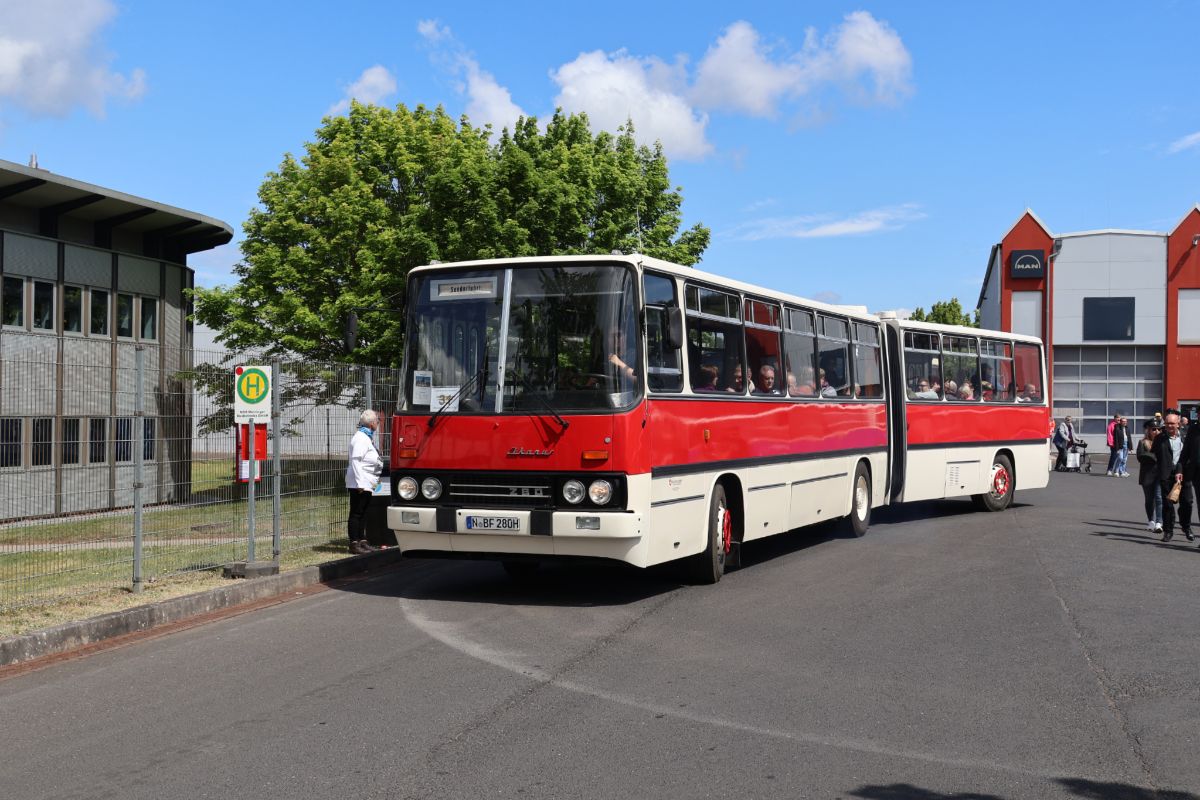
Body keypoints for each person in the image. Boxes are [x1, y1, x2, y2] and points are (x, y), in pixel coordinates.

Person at [345, 409, 384, 555]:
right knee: (356, 512)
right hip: (359, 483)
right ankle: (354, 543)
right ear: (372, 423)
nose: (378, 424)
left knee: (364, 512)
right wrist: (360, 483)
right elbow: (356, 461)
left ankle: (362, 540)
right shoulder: (360, 438)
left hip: (368, 482)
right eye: (377, 421)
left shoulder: (367, 437)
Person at [1150, 410, 1189, 543]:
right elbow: (1154, 453)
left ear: (1178, 424)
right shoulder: (1160, 438)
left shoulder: (1185, 435)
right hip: (1166, 474)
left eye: (1172, 423)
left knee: (1187, 502)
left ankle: (1186, 526)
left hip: (1184, 474)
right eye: (1167, 423)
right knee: (1168, 504)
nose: (1169, 426)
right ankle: (1168, 531)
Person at [1136, 421, 1163, 533]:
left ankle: (1159, 522)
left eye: (1158, 429)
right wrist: (1155, 457)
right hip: (1147, 475)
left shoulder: (1163, 442)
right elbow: (1140, 456)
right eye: (1154, 429)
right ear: (1148, 430)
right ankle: (1150, 521)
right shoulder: (1143, 442)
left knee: (1159, 497)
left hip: (1160, 474)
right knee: (1149, 499)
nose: (1156, 431)